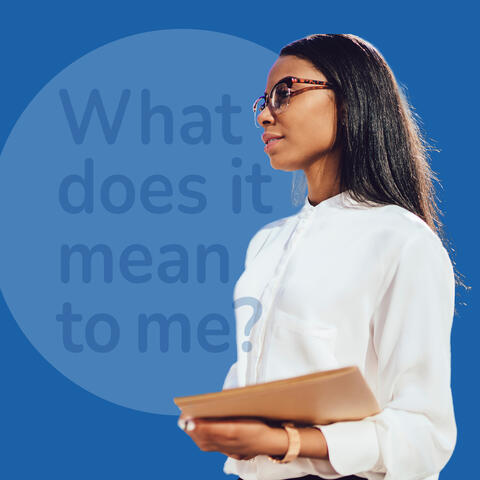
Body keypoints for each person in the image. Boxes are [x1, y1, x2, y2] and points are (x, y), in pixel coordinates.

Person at [177, 33, 466, 480]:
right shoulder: (267, 244)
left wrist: (287, 442)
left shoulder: (402, 240)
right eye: (263, 99)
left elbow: (423, 434)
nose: (264, 114)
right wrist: (222, 423)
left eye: (285, 92)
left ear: (350, 100)